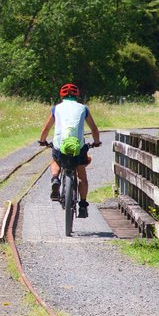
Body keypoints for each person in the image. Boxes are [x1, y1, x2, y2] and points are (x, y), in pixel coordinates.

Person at [38, 83, 101, 218]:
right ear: (77, 95)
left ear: (62, 96)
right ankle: (83, 205)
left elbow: (46, 129)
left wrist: (42, 141)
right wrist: (96, 142)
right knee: (82, 175)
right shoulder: (83, 109)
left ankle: (55, 179)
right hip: (78, 147)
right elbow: (94, 129)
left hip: (60, 146)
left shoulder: (57, 109)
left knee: (56, 160)